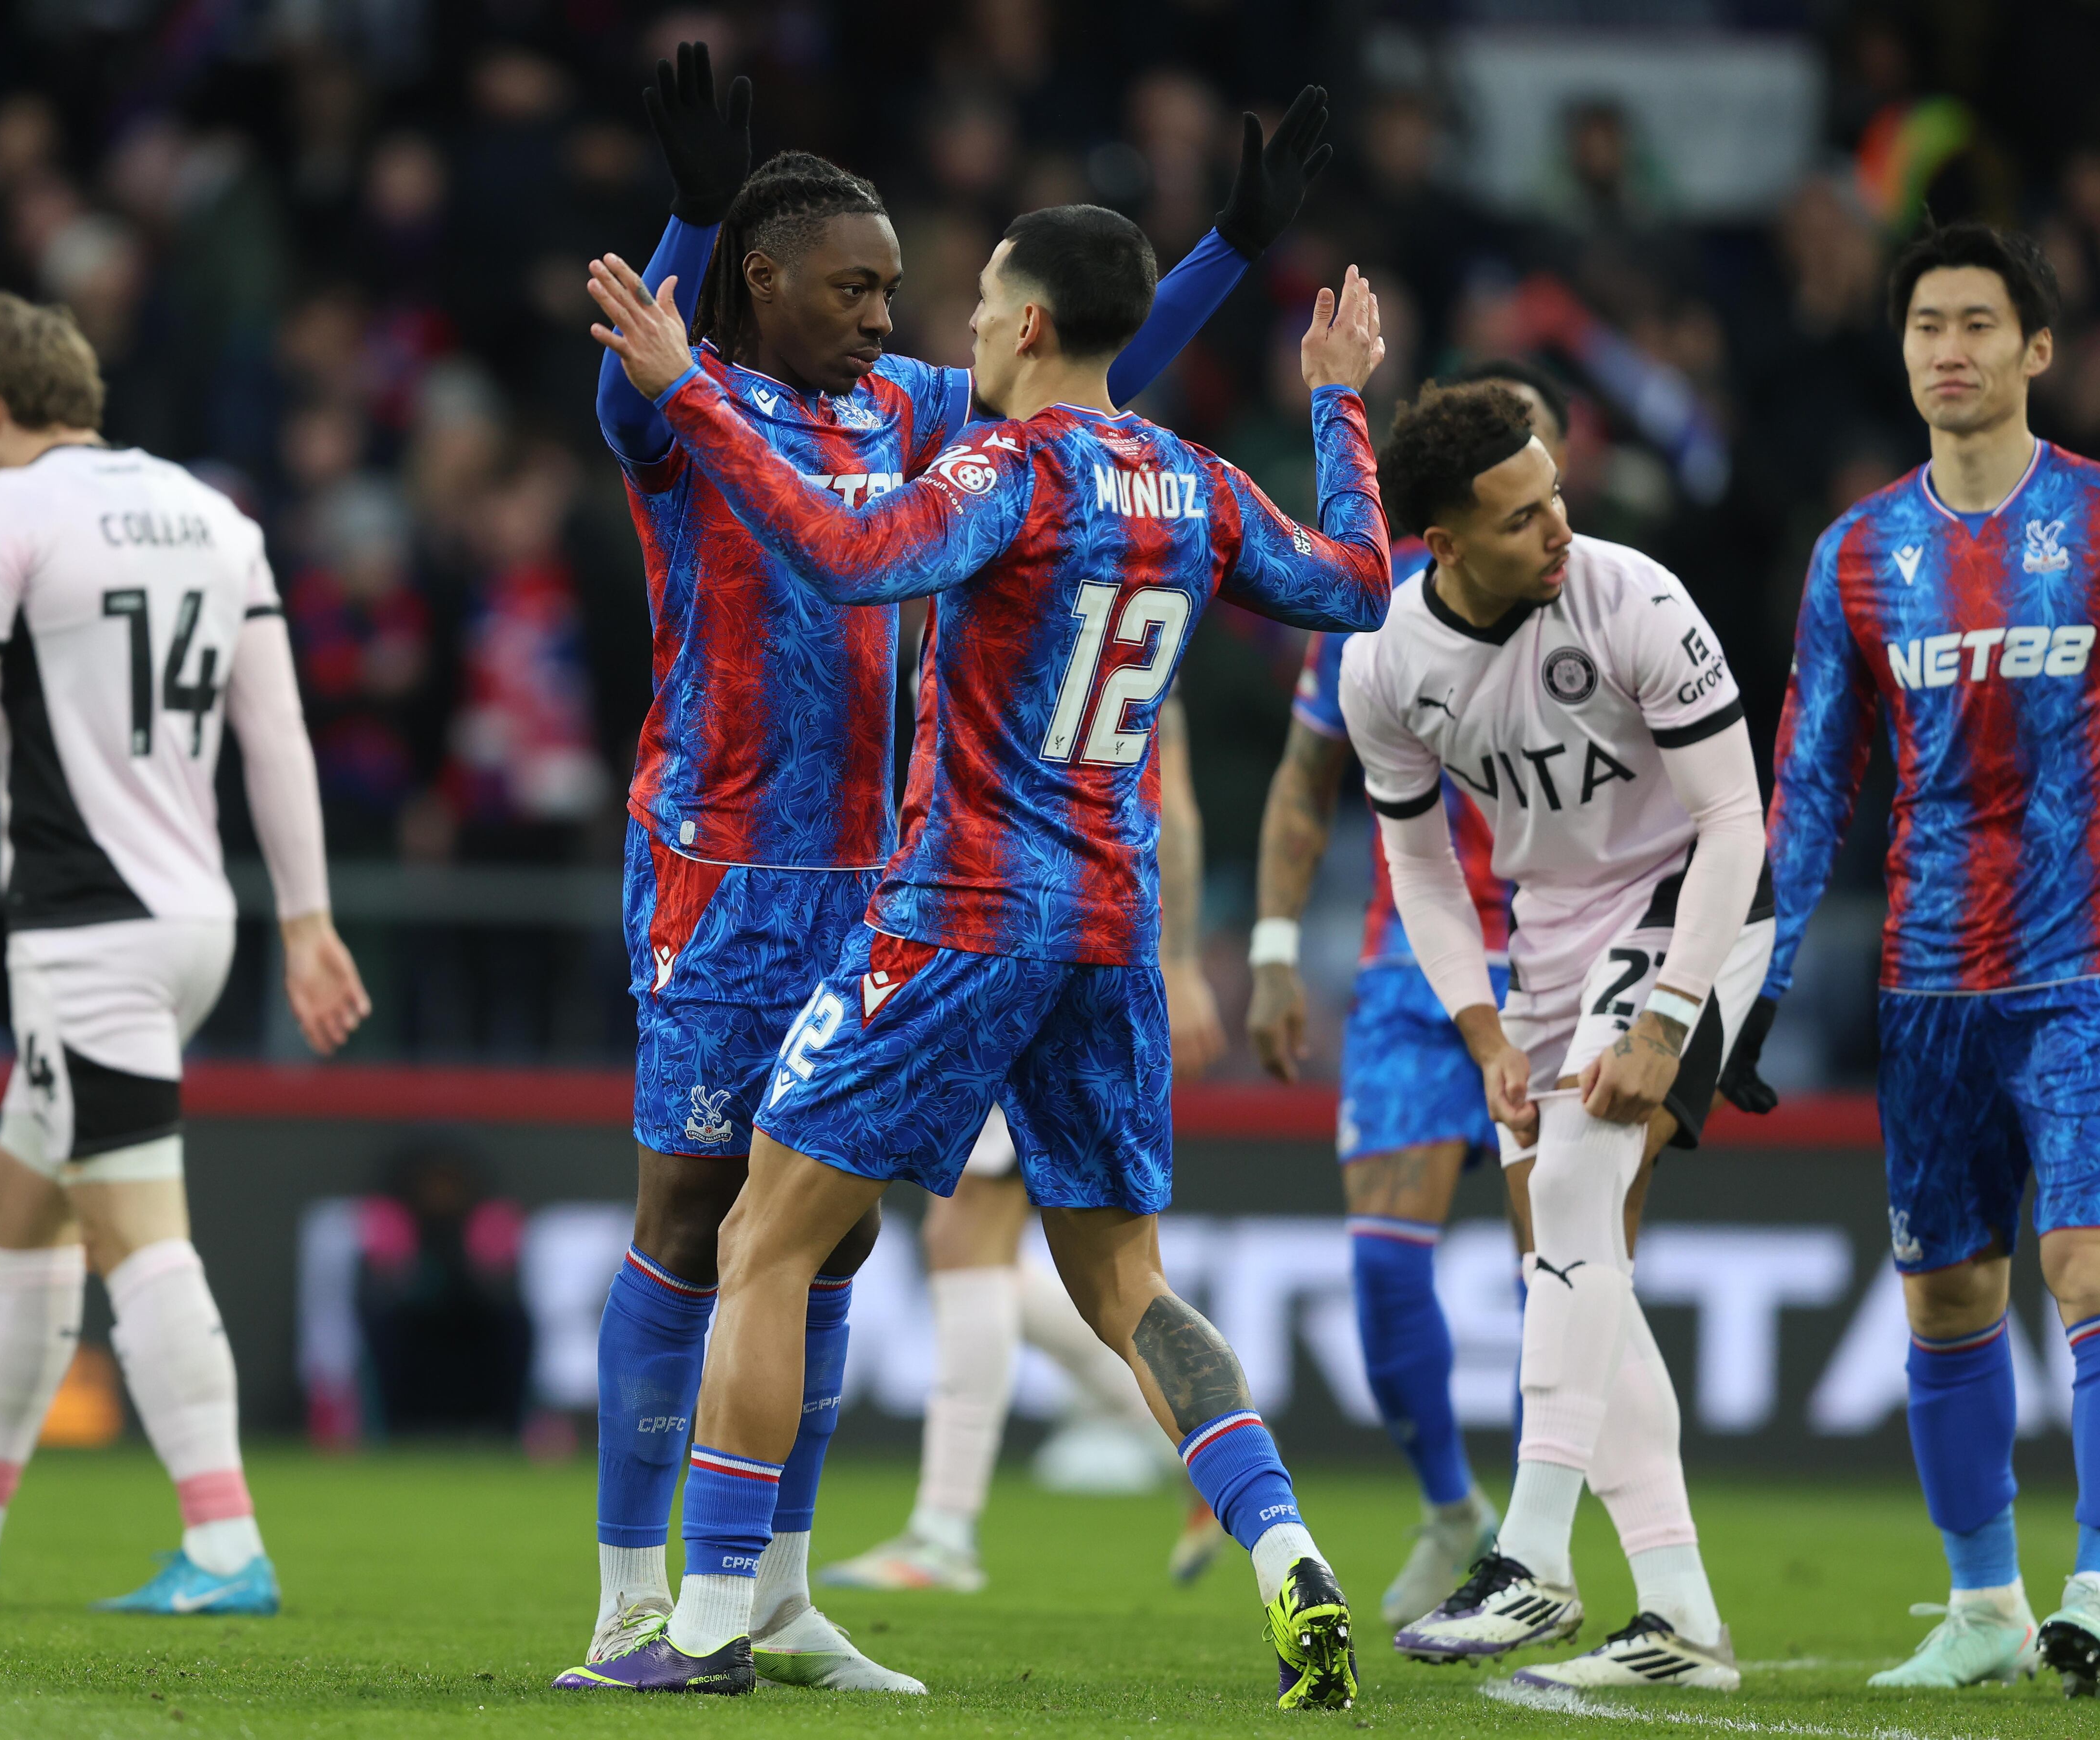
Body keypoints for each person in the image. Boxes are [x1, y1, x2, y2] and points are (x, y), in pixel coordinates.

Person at [576, 44, 1334, 1692]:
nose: (879, 313)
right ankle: (634, 1599)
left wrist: (1223, 255)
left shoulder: (919, 413)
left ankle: (772, 1596)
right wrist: (690, 218)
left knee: (827, 1237)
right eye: (849, 288)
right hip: (722, 868)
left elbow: (1087, 401)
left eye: (896, 289)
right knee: (691, 1217)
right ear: (760, 283)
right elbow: (631, 386)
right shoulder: (679, 403)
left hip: (891, 877)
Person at [0, 292, 370, 1616]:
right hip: (196, 918)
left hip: (86, 931)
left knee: (139, 1233)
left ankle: (225, 1540)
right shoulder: (218, 516)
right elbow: (280, 735)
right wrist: (307, 921)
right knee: (27, 1202)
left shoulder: (6, 511)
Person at [1344, 380, 1763, 1690]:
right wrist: (1481, 1028)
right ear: (1443, 540)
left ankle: (1530, 1559)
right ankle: (1683, 1614)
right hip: (1543, 941)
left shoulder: (1632, 596)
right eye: (1523, 517)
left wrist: (1668, 1014)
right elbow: (1418, 867)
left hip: (1694, 902)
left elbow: (1737, 819)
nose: (1559, 528)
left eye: (1557, 497)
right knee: (1567, 1259)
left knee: (1579, 1190)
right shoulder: (1382, 664)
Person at [1755, 220, 2100, 1695]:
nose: (1946, 350)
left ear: (2038, 350)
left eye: (1976, 324)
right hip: (1926, 981)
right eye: (1923, 328)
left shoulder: (2094, 523)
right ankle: (1985, 1605)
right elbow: (1812, 785)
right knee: (1948, 1300)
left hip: (2085, 969)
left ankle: (2096, 1579)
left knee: (2087, 1263)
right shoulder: (1860, 552)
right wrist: (1750, 985)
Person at [1246, 360, 1570, 1628]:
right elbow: (1299, 781)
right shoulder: (1372, 626)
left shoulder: (1598, 607)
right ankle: (1453, 1511)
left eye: (1546, 487)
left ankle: (1556, 1539)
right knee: (1384, 1271)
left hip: (1561, 958)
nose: (1546, 517)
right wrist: (1274, 944)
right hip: (1411, 963)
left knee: (1562, 1269)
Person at [821, 702, 1233, 1597]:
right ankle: (1207, 1441)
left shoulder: (1010, 576)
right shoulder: (1156, 579)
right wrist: (1184, 961)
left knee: (968, 1243)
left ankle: (944, 1531)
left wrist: (1187, 962)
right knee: (1005, 1261)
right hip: (1073, 934)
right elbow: (1181, 804)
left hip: (1011, 930)